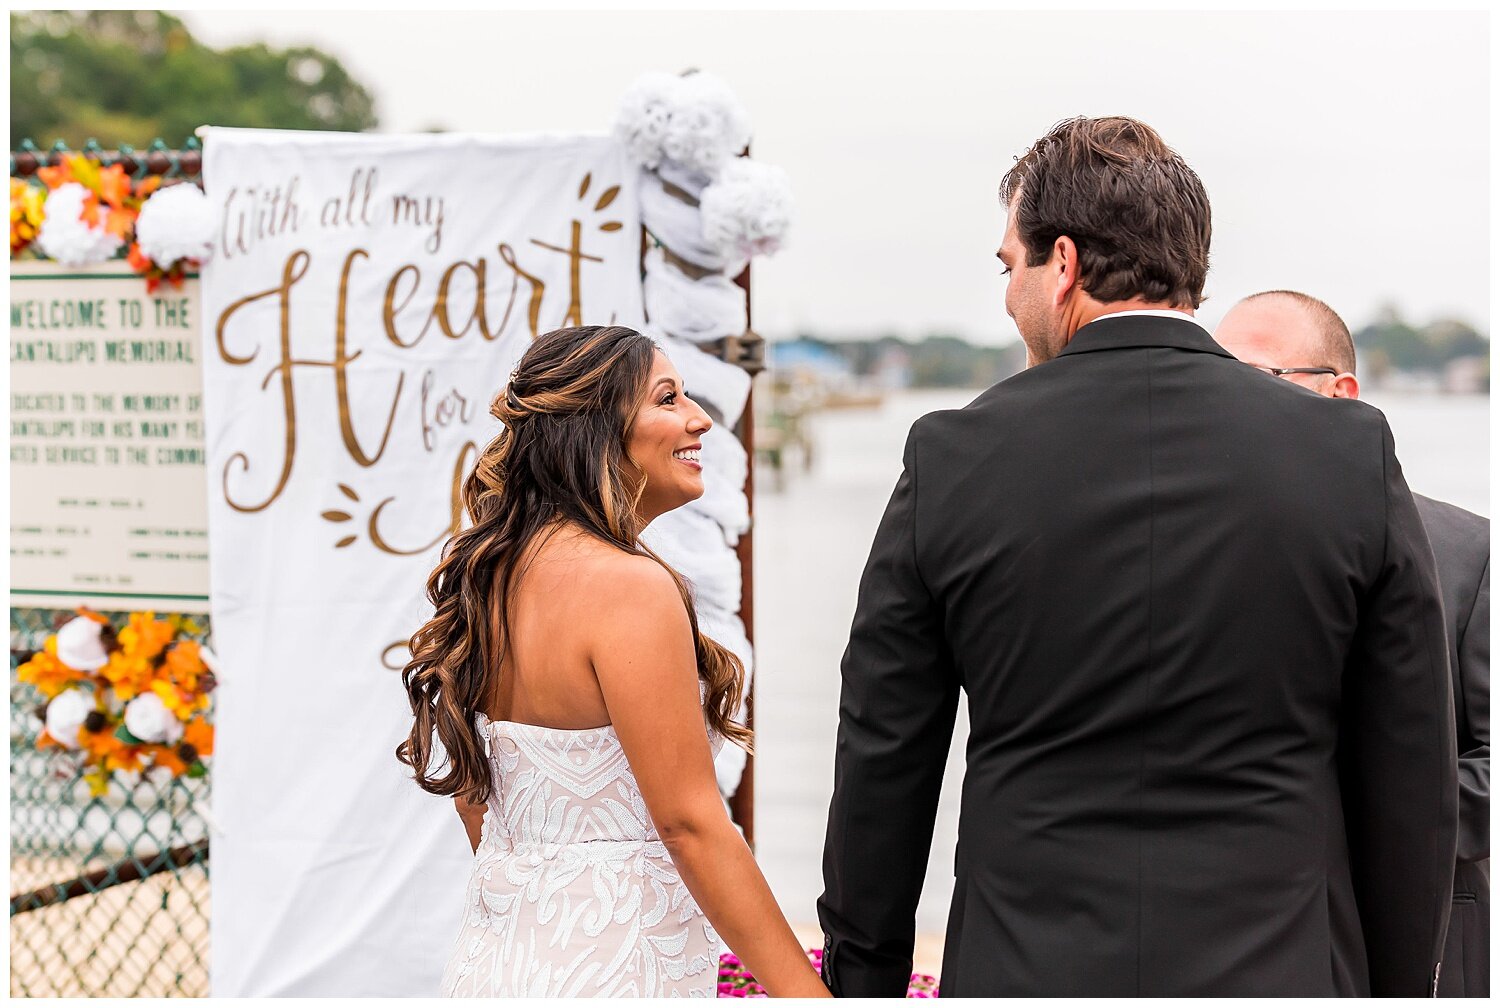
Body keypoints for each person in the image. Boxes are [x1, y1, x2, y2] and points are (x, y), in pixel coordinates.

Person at [817, 116, 1457, 996]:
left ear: (1066, 264)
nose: (1008, 297)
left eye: (1011, 266)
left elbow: (883, 759)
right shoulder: (1345, 452)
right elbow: (1410, 772)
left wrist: (864, 980)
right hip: (1284, 967)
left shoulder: (951, 459)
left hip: (1027, 967)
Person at [398, 325, 830, 998]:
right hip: (615, 972)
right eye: (667, 399)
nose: (700, 419)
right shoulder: (630, 588)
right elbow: (689, 824)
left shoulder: (490, 581)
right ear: (600, 428)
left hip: (497, 965)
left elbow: (476, 800)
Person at [1216, 290, 1489, 997]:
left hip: (1431, 940)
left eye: (1255, 378)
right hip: (1254, 939)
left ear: (1343, 394)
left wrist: (1357, 811)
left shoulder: (1471, 550)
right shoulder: (1209, 551)